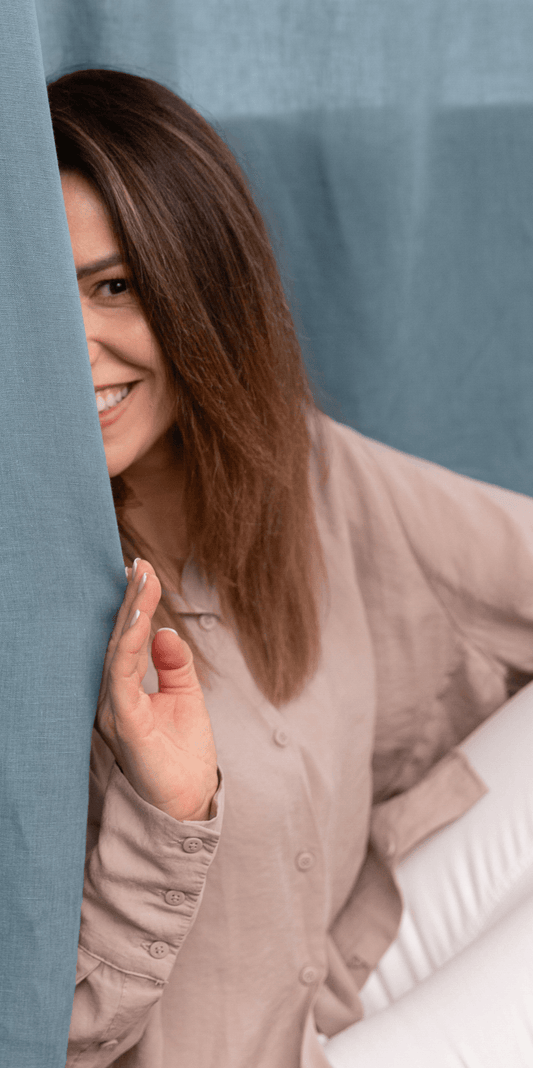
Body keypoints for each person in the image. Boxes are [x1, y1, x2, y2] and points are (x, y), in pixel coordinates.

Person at [51, 68, 533, 1067]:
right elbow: (41, 1036)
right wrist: (166, 816)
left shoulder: (296, 468)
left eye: (113, 286)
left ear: (199, 290)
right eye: (38, 297)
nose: (71, 343)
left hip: (334, 979)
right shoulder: (26, 588)